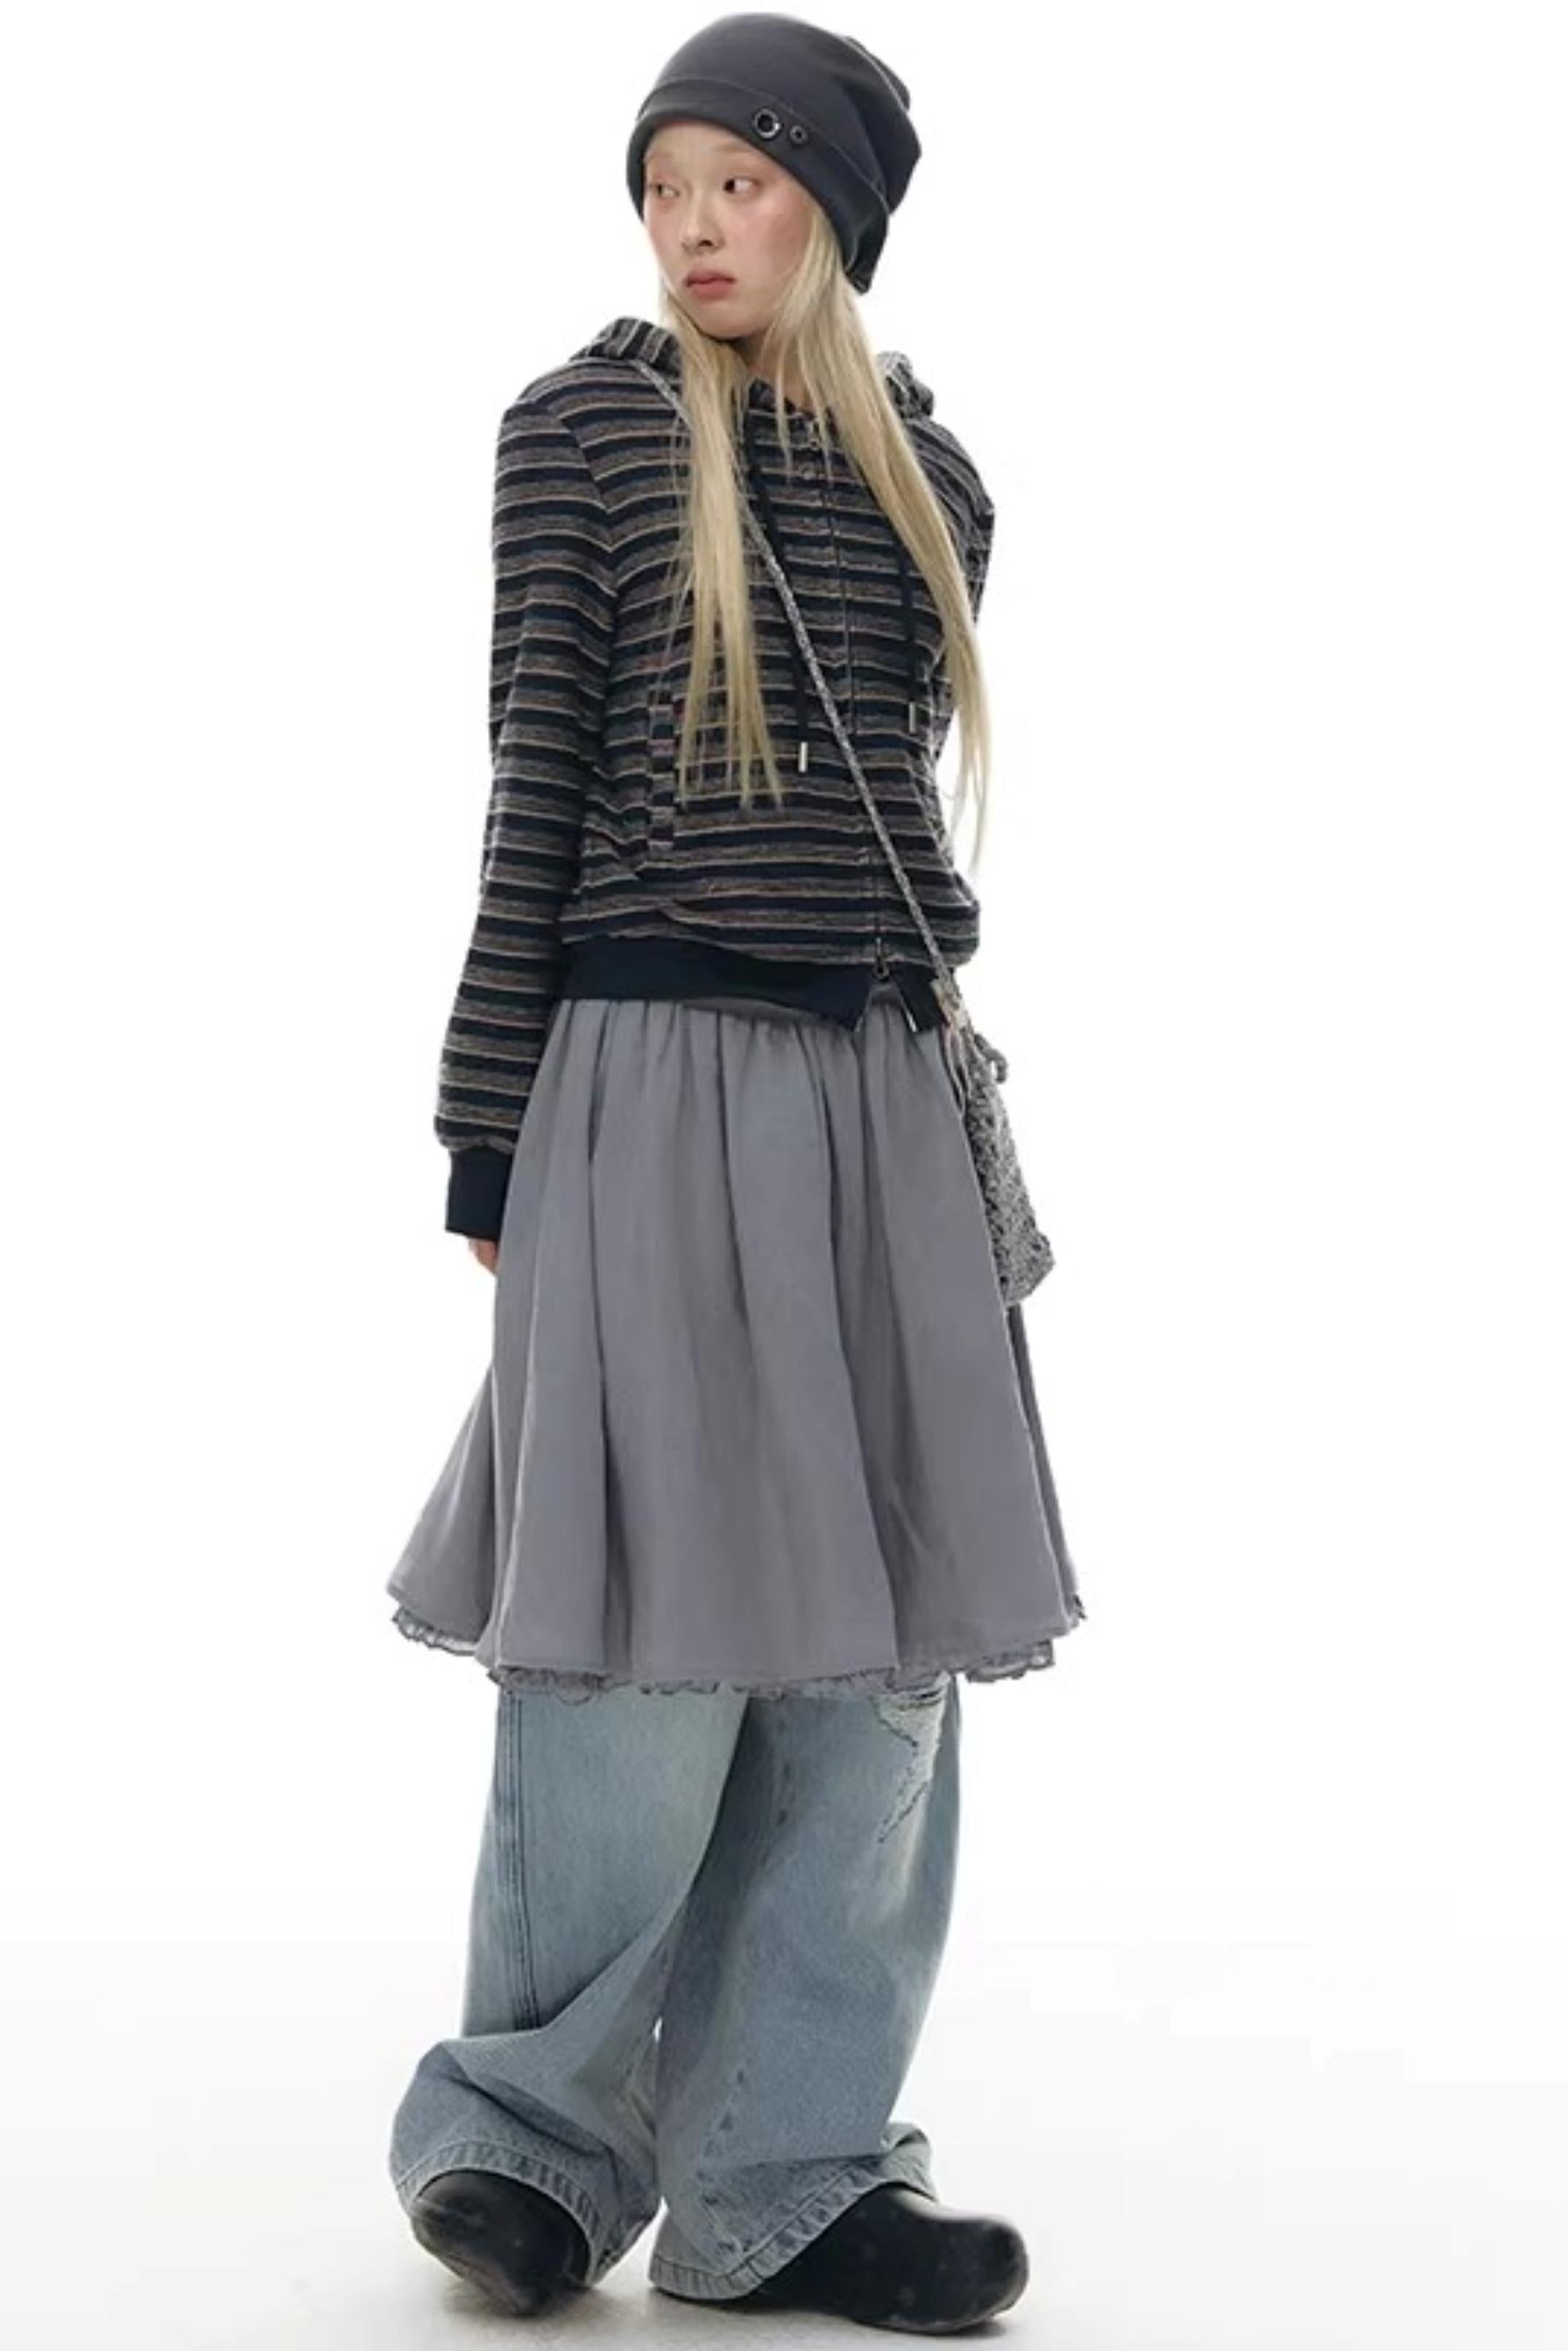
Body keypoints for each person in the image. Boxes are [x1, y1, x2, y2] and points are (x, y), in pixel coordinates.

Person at [384, 12, 1088, 2330]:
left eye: (740, 182)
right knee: (635, 1639)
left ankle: (789, 2169)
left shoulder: (932, 478)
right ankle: (527, 2143)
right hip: (645, 1080)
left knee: (879, 1662)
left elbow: (894, 827)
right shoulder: (581, 435)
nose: (693, 226)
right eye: (663, 183)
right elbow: (537, 785)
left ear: (832, 214)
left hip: (875, 1097)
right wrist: (491, 1116)